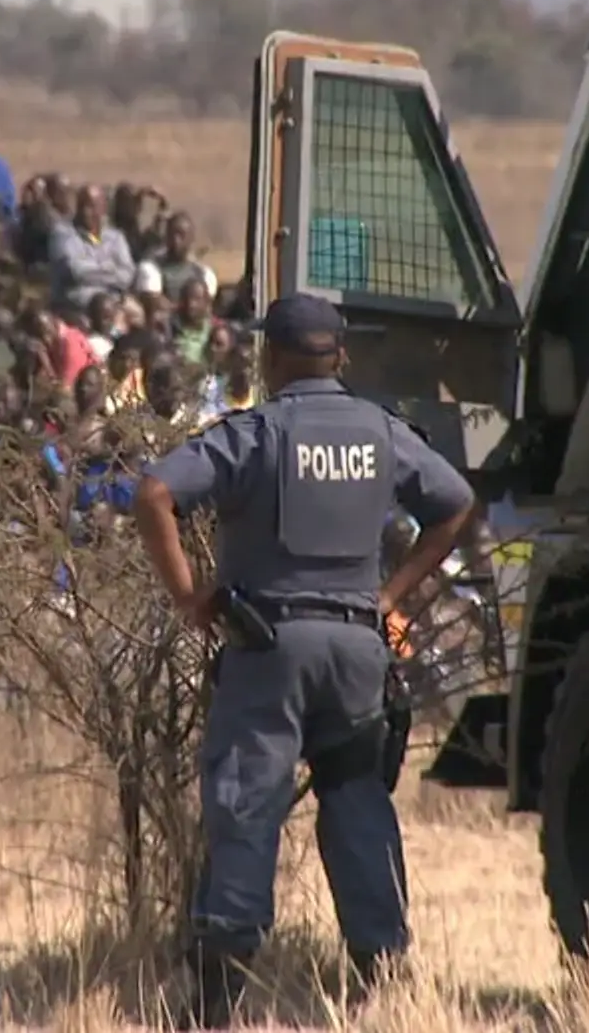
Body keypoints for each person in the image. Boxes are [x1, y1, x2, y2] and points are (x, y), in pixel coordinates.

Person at [131, 293, 475, 1028]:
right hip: (357, 649)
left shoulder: (256, 433)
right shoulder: (382, 433)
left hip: (270, 647)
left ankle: (218, 997)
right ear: (341, 357)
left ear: (270, 359)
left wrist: (191, 597)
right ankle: (381, 977)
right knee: (356, 800)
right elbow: (455, 503)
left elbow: (156, 493)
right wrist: (391, 596)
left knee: (248, 801)